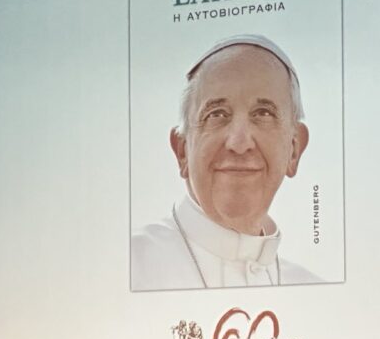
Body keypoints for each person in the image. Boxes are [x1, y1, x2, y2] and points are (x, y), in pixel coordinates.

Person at [132, 34, 321, 290]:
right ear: (182, 151)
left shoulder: (311, 289)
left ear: (294, 149)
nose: (239, 143)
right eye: (216, 114)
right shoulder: (130, 265)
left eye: (263, 113)